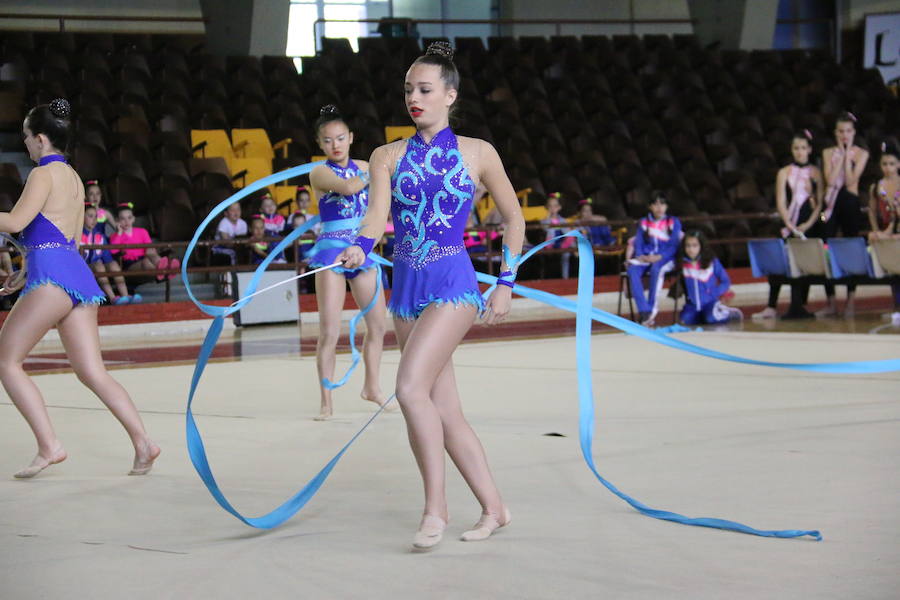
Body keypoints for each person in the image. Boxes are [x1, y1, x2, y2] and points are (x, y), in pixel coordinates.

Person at [338, 41, 525, 549]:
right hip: (406, 291)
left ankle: (435, 509)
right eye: (407, 90)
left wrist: (504, 284)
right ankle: (495, 507)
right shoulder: (385, 155)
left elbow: (515, 219)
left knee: (409, 389)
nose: (413, 98)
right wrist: (358, 246)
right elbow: (377, 218)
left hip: (452, 284)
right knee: (445, 410)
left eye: (424, 89)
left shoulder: (478, 152)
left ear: (450, 94)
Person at [0, 99, 159, 478]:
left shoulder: (42, 174)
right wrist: (26, 270)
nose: (25, 144)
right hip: (76, 278)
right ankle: (143, 444)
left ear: (40, 139)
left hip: (53, 278)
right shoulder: (71, 177)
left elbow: (17, 220)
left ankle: (49, 445)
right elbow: (63, 237)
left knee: (6, 361)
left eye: (26, 137)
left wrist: (34, 265)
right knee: (93, 372)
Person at [306, 104, 387, 420]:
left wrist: (379, 169)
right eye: (328, 140)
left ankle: (372, 387)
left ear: (351, 137)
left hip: (363, 249)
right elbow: (350, 186)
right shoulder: (319, 171)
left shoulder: (367, 165)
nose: (335, 145)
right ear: (320, 144)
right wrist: (379, 169)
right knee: (329, 331)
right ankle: (326, 401)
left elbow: (381, 203)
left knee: (378, 324)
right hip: (331, 252)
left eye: (340, 138)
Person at [753, 131, 824, 320]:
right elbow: (781, 202)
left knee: (803, 266)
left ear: (809, 149)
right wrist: (790, 225)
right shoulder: (784, 172)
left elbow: (819, 205)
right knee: (779, 264)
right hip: (789, 224)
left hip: (809, 224)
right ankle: (771, 305)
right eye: (796, 148)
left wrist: (807, 225)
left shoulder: (816, 173)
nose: (799, 152)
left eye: (803, 148)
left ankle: (800, 304)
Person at [819, 112, 869, 317]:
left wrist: (847, 156)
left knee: (851, 248)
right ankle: (830, 301)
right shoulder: (828, 152)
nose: (844, 135)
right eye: (841, 131)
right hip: (831, 202)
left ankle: (850, 299)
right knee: (826, 248)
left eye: (848, 131)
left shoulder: (861, 153)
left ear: (854, 132)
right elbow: (830, 180)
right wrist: (839, 155)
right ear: (835, 133)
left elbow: (850, 181)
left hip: (850, 201)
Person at [626, 190, 682, 326]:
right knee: (632, 270)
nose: (659, 208)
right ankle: (644, 310)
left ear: (667, 206)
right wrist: (642, 256)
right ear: (650, 207)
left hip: (666, 259)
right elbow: (638, 243)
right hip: (646, 258)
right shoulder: (643, 222)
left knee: (657, 269)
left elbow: (674, 246)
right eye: (655, 204)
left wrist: (659, 256)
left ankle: (651, 310)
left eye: (662, 204)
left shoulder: (673, 222)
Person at [867, 142, 900, 327]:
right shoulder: (876, 186)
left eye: (892, 164)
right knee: (893, 270)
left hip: (897, 230)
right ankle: (897, 306)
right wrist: (877, 231)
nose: (888, 168)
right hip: (887, 230)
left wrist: (891, 233)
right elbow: (872, 211)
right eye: (885, 164)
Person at [678, 230, 741, 325]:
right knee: (685, 320)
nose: (691, 249)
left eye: (695, 245)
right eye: (688, 246)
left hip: (710, 302)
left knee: (711, 319)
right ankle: (703, 317)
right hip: (692, 305)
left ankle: (730, 313)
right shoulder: (682, 264)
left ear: (701, 246)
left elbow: (725, 281)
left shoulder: (712, 261)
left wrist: (714, 293)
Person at [110, 202, 178, 282]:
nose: (126, 221)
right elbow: (113, 251)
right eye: (122, 218)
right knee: (146, 261)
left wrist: (150, 250)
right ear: (117, 221)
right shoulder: (115, 236)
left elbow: (149, 247)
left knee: (150, 252)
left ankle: (164, 269)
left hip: (147, 258)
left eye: (129, 218)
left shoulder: (142, 231)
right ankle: (164, 272)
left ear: (133, 219)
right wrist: (119, 233)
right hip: (130, 264)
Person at [82, 203, 133, 304]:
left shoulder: (99, 235)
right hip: (85, 266)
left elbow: (107, 257)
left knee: (113, 264)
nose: (94, 219)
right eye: (90, 216)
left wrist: (109, 263)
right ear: (82, 217)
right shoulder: (78, 235)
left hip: (99, 264)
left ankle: (125, 296)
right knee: (99, 266)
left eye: (96, 216)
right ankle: (113, 298)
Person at [540, 192, 575, 278]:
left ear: (559, 207)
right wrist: (548, 218)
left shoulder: (562, 220)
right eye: (550, 206)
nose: (552, 208)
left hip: (561, 242)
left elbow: (567, 232)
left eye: (555, 206)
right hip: (549, 243)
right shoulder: (544, 220)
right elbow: (544, 229)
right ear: (546, 207)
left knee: (566, 254)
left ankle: (565, 277)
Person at [212, 201, 248, 265]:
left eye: (238, 209)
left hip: (236, 248)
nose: (236, 212)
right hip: (221, 248)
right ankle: (232, 272)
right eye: (232, 210)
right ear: (226, 213)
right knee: (232, 254)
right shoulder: (223, 223)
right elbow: (226, 242)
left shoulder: (243, 223)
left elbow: (243, 239)